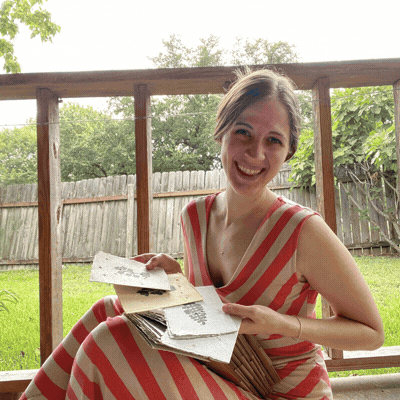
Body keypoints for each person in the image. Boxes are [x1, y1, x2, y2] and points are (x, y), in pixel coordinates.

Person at [20, 68, 384, 400]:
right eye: (243, 132)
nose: (255, 152)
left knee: (108, 342)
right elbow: (213, 316)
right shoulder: (194, 216)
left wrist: (282, 324)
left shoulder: (302, 231)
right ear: (222, 132)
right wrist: (176, 282)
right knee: (107, 309)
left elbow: (371, 333)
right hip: (223, 372)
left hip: (284, 392)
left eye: (273, 140)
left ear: (288, 150)